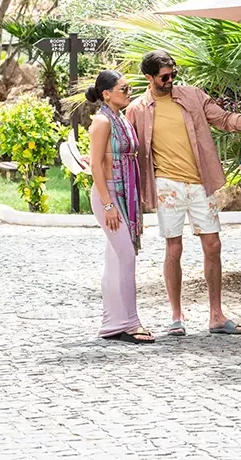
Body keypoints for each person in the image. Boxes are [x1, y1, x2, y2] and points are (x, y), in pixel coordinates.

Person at [126, 50, 241, 337]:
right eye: (164, 76)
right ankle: (176, 315)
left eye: (173, 74)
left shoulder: (192, 96)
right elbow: (129, 148)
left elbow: (224, 119)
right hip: (166, 185)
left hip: (200, 181)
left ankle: (216, 315)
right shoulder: (138, 109)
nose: (171, 79)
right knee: (173, 248)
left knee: (213, 245)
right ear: (149, 77)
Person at [86, 70, 154, 343]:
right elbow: (95, 165)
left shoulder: (121, 119)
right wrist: (108, 204)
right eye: (123, 89)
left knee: (115, 259)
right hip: (110, 195)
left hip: (125, 193)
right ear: (106, 94)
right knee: (126, 257)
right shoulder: (102, 121)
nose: (128, 93)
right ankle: (129, 321)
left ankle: (112, 323)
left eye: (129, 89)